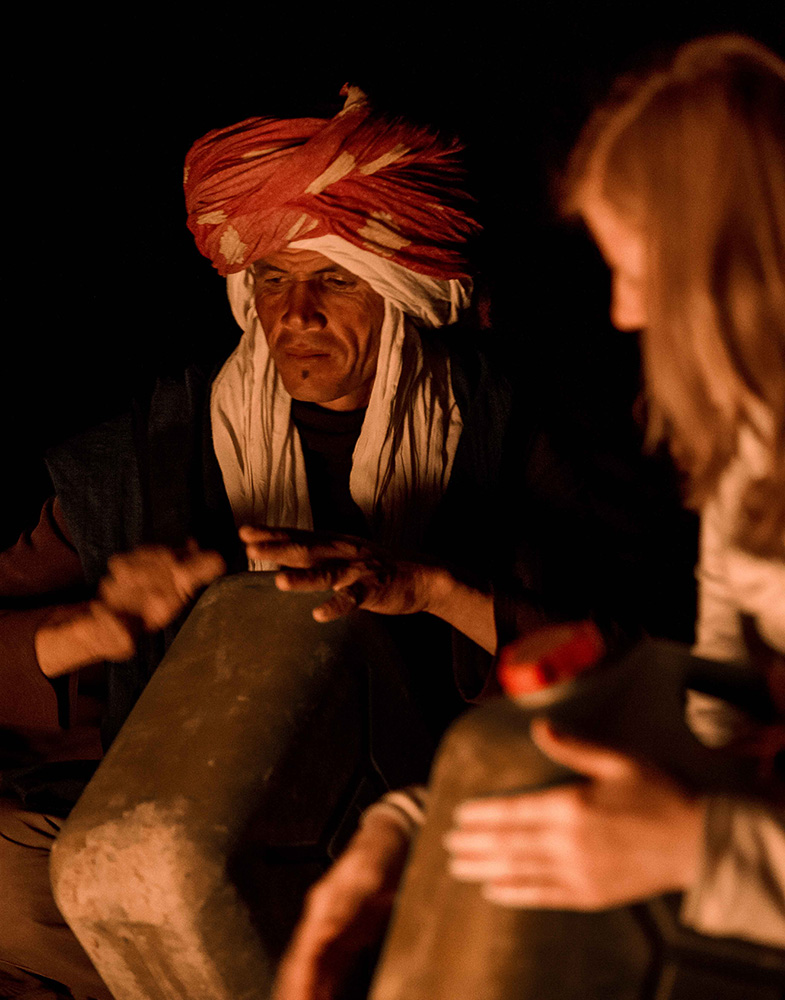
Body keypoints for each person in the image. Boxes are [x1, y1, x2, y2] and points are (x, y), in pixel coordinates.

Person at [0, 85, 515, 999]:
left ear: (403, 294)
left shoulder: (500, 438)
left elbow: (632, 650)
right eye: (272, 280)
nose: (297, 312)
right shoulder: (154, 451)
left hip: (418, 829)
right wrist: (96, 625)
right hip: (187, 829)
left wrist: (430, 588)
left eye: (335, 279)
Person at [255, 33, 785, 998]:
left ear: (746, 265)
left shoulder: (522, 427)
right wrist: (410, 830)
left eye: (642, 268)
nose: (625, 313)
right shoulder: (750, 473)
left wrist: (700, 850)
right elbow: (710, 718)